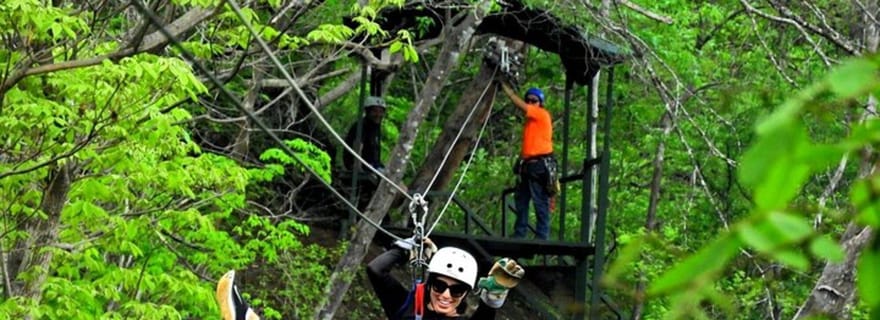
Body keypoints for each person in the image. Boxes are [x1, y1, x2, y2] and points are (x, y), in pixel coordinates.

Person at [366, 237, 525, 319]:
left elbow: (486, 314)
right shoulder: (407, 306)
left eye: (457, 290)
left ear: (465, 294)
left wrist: (493, 297)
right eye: (439, 286)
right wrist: (405, 249)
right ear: (429, 284)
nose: (445, 295)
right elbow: (376, 270)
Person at [499, 82, 555, 240]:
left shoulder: (541, 114)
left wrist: (507, 90)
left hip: (538, 165)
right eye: (529, 100)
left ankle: (542, 236)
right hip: (528, 165)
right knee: (521, 200)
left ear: (540, 103)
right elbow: (529, 147)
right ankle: (520, 232)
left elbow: (521, 105)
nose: (530, 103)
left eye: (534, 101)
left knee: (539, 200)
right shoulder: (531, 123)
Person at [344, 96, 387, 172]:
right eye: (375, 111)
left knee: (394, 177)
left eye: (380, 112)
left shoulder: (375, 128)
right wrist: (358, 167)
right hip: (362, 165)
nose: (378, 115)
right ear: (367, 111)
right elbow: (357, 146)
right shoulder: (361, 126)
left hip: (373, 165)